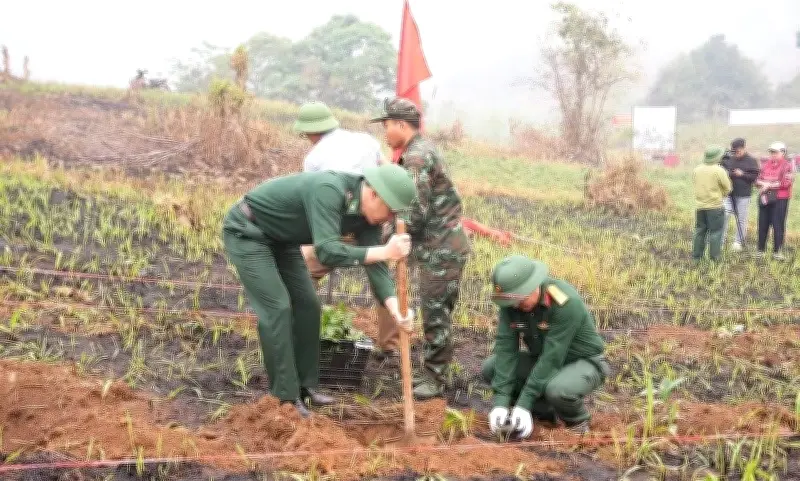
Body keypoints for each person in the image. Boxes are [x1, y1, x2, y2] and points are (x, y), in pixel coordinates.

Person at [222, 164, 417, 418]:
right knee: (277, 307)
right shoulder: (330, 189)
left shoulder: (368, 218)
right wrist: (385, 251)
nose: (389, 218)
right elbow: (326, 251)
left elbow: (377, 266)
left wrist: (395, 309)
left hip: (283, 241)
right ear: (373, 194)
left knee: (308, 306)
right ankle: (285, 398)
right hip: (248, 231)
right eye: (390, 210)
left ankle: (305, 387)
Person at [370, 97, 472, 400]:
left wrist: (384, 237)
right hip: (435, 246)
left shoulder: (416, 158)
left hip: (441, 249)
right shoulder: (417, 151)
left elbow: (413, 213)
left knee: (435, 313)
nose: (385, 132)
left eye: (387, 125)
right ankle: (430, 370)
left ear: (402, 125)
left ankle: (435, 378)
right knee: (433, 310)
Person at [293, 101, 399, 354]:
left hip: (338, 221)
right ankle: (391, 346)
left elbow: (312, 199)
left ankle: (298, 336)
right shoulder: (366, 140)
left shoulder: (314, 158)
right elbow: (389, 172)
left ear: (311, 132)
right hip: (372, 218)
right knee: (380, 275)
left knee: (302, 272)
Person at [481, 255, 609, 437]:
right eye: (511, 302)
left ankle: (578, 423)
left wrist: (523, 403)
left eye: (520, 300)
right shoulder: (511, 303)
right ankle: (544, 412)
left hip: (583, 362)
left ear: (534, 286)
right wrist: (500, 403)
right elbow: (506, 349)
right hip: (543, 359)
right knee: (491, 368)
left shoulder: (566, 303)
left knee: (558, 390)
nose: (515, 306)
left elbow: (552, 357)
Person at [692, 146, 733, 262]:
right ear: (717, 157)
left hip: (700, 207)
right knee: (716, 232)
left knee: (699, 232)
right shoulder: (719, 170)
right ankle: (714, 258)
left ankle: (697, 258)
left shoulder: (697, 169)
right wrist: (722, 195)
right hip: (715, 207)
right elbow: (728, 188)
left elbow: (695, 184)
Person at [720, 138, 760, 251]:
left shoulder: (751, 161)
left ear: (743, 148)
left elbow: (754, 177)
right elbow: (722, 170)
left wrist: (742, 174)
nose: (736, 154)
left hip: (744, 195)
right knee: (724, 215)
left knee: (741, 218)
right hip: (728, 194)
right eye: (734, 151)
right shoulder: (728, 158)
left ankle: (738, 241)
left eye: (738, 151)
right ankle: (721, 240)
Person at [756, 141, 794, 260]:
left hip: (780, 199)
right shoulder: (765, 164)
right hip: (765, 197)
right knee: (762, 223)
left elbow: (786, 183)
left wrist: (768, 185)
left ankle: (777, 252)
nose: (773, 154)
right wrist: (763, 184)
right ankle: (760, 250)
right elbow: (757, 179)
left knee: (778, 225)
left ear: (783, 152)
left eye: (775, 152)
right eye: (771, 152)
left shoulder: (787, 165)